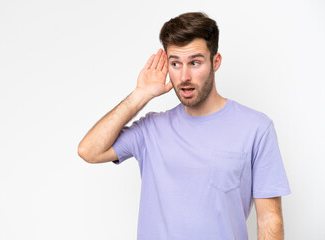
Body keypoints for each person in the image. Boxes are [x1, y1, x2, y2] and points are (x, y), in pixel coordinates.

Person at [78, 12, 291, 240]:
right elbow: (89, 151)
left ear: (215, 62)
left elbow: (269, 218)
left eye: (195, 62)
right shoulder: (151, 129)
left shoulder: (256, 128)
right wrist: (140, 95)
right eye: (175, 63)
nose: (184, 76)